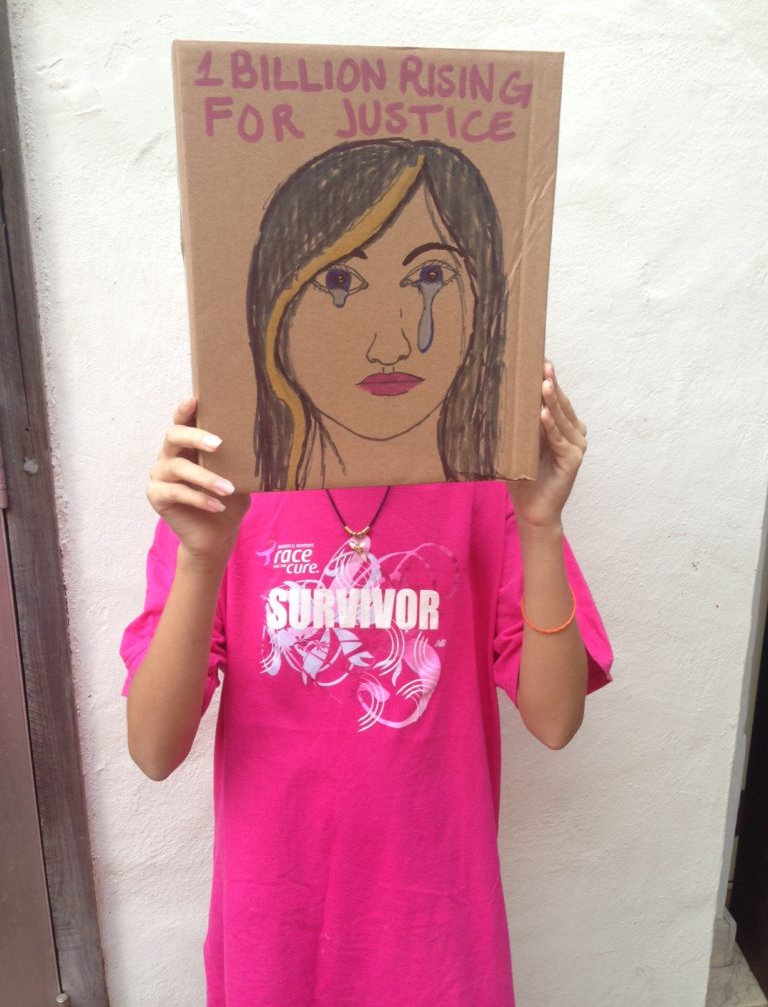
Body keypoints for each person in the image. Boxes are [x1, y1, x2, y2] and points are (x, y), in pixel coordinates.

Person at [121, 361, 613, 1007]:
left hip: (434, 942)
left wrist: (541, 526)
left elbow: (555, 720)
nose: (385, 345)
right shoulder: (224, 489)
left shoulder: (484, 483)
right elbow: (153, 750)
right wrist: (200, 556)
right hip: (273, 940)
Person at [246, 138, 507, 489]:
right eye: (339, 280)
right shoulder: (231, 501)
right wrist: (209, 527)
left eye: (431, 275)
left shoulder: (507, 497)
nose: (389, 350)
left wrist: (538, 515)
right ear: (278, 308)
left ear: (479, 298)